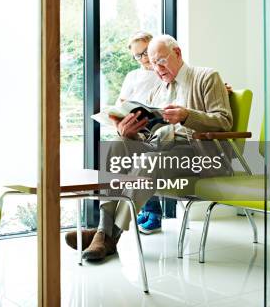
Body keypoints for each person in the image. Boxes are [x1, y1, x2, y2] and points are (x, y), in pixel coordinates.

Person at [65, 34, 233, 261]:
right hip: (162, 148)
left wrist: (187, 115)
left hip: (197, 155)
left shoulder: (206, 77)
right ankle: (103, 230)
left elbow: (224, 121)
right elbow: (151, 132)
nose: (157, 68)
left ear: (178, 54)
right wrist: (129, 131)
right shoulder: (158, 90)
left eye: (161, 61)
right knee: (117, 145)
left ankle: (107, 237)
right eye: (153, 63)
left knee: (148, 161)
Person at [115, 31, 164, 235]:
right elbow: (121, 101)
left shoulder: (165, 71)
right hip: (137, 126)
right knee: (120, 144)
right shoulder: (132, 76)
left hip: (159, 127)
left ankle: (150, 210)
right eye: (138, 55)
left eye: (146, 52)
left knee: (141, 154)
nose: (144, 58)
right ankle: (143, 208)